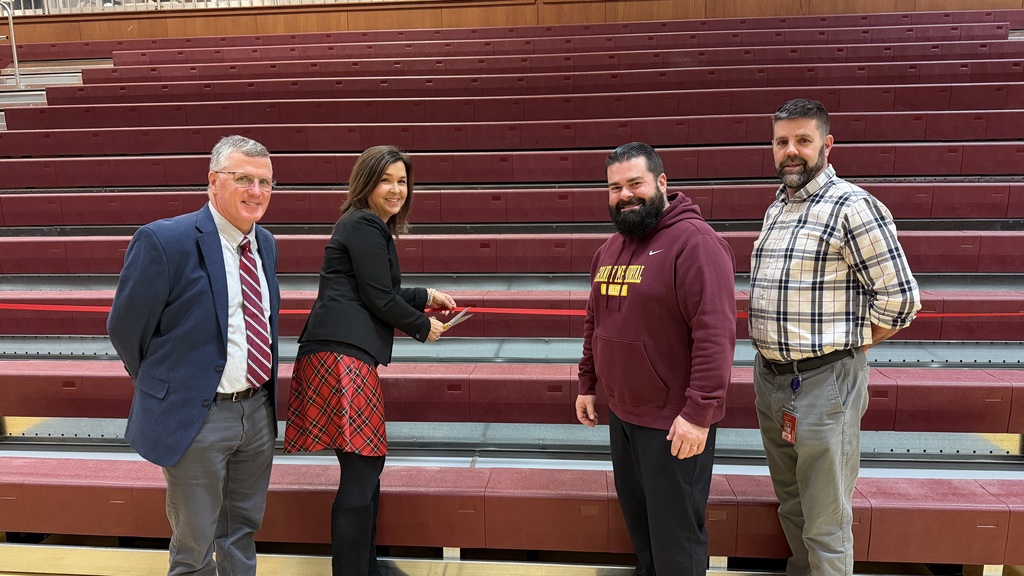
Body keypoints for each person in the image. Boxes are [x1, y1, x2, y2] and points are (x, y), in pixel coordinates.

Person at [749, 98, 921, 576]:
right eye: (782, 141)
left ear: (827, 144)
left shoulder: (853, 207)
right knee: (792, 506)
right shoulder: (777, 208)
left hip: (825, 383)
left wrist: (852, 347)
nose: (791, 151)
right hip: (773, 380)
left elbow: (901, 300)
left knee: (825, 520)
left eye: (803, 140)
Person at [107, 135, 280, 575]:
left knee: (241, 530)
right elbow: (126, 330)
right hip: (198, 416)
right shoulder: (165, 240)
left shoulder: (267, 243)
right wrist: (171, 388)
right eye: (242, 179)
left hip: (257, 410)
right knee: (195, 544)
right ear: (213, 182)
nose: (255, 192)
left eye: (265, 182)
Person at [285, 145, 456, 576]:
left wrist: (425, 296)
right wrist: (423, 325)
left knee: (364, 464)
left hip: (339, 352)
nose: (397, 189)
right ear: (366, 182)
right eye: (387, 180)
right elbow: (379, 297)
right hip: (341, 356)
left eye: (403, 181)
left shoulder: (366, 225)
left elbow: (374, 288)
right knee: (362, 467)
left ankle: (365, 565)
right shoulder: (363, 222)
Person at [576, 142, 737, 576]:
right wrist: (587, 383)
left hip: (673, 424)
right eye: (615, 187)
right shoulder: (609, 248)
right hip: (624, 416)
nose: (625, 195)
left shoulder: (697, 243)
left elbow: (715, 333)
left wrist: (699, 414)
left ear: (661, 183)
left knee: (676, 543)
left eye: (635, 183)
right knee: (644, 536)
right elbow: (595, 319)